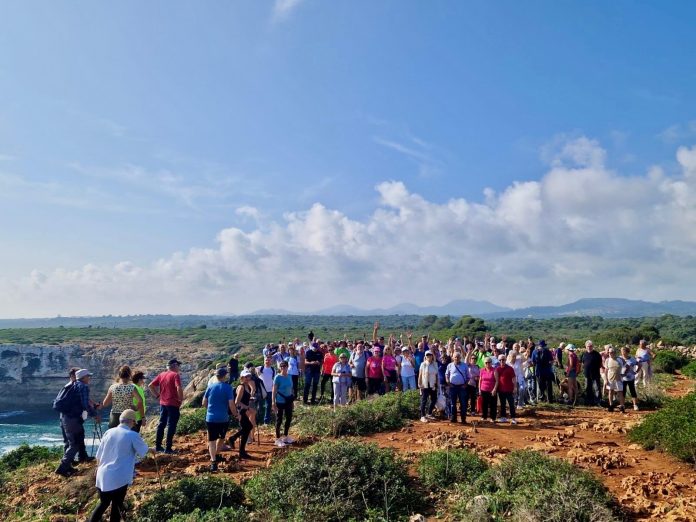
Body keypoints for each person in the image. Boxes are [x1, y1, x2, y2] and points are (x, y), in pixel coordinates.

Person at [88, 410, 149, 522]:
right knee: (116, 506)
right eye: (134, 422)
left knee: (103, 503)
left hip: (102, 475)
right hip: (119, 477)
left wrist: (98, 469)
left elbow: (99, 456)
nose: (134, 425)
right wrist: (152, 449)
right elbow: (143, 451)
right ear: (131, 421)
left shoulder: (109, 432)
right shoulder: (132, 435)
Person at [55, 368, 100, 477]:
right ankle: (63, 467)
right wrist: (95, 415)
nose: (89, 378)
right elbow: (85, 404)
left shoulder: (72, 385)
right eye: (88, 376)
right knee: (74, 443)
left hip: (67, 417)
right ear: (83, 377)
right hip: (73, 419)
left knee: (77, 439)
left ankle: (78, 460)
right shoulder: (83, 386)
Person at [203, 367, 239, 471]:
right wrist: (236, 414)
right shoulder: (228, 388)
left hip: (210, 417)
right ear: (224, 376)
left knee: (211, 440)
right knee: (222, 438)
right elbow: (231, 404)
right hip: (223, 417)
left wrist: (210, 409)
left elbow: (204, 403)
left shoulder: (210, 387)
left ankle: (213, 460)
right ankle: (216, 454)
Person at [149, 358, 183, 454]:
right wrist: (181, 399)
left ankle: (158, 446)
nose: (179, 368)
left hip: (163, 403)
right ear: (175, 366)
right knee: (171, 425)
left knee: (161, 424)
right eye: (178, 365)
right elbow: (178, 387)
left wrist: (157, 396)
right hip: (173, 403)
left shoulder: (161, 375)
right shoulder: (175, 375)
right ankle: (168, 448)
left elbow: (150, 385)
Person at [227, 370, 255, 460]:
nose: (248, 378)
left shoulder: (247, 386)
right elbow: (237, 402)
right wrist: (247, 407)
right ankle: (234, 440)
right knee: (248, 427)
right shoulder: (241, 387)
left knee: (247, 428)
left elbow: (243, 399)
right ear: (241, 378)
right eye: (245, 377)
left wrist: (250, 400)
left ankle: (241, 449)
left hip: (243, 411)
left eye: (249, 376)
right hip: (240, 411)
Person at [272, 361, 295, 447]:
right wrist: (273, 402)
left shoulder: (290, 376)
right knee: (279, 420)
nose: (283, 368)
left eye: (284, 366)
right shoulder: (277, 377)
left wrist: (292, 401)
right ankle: (277, 439)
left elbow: (291, 389)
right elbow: (274, 390)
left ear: (287, 367)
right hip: (280, 401)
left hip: (288, 401)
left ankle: (285, 436)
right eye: (281, 366)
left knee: (288, 418)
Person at [445, 352, 469, 424]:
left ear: (460, 358)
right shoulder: (450, 365)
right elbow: (447, 375)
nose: (456, 358)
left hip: (462, 387)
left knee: (463, 403)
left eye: (458, 357)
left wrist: (465, 384)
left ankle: (463, 419)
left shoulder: (464, 365)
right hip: (453, 386)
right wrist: (448, 382)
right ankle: (453, 418)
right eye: (455, 357)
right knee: (452, 403)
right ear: (453, 358)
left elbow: (468, 376)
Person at [496, 354, 517, 424]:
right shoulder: (497, 369)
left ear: (505, 360)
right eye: (500, 360)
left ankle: (513, 418)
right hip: (501, 390)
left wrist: (515, 388)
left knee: (511, 404)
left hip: (509, 390)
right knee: (502, 404)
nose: (502, 361)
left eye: (503, 359)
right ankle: (503, 417)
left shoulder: (510, 368)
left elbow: (514, 378)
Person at [418, 351, 439, 422]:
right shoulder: (423, 364)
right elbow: (420, 375)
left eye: (430, 355)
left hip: (433, 384)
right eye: (427, 355)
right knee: (424, 400)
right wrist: (419, 384)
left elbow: (436, 375)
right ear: (425, 356)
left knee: (434, 399)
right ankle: (422, 416)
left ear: (432, 356)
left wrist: (437, 384)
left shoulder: (435, 364)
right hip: (425, 385)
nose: (429, 356)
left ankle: (429, 413)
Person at [581, 341, 603, 406]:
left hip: (595, 374)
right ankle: (589, 401)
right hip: (587, 374)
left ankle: (598, 402)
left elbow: (600, 364)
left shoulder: (597, 354)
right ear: (585, 347)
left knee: (597, 388)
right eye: (588, 346)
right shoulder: (583, 354)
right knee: (588, 388)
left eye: (590, 346)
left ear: (592, 346)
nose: (589, 347)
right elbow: (582, 363)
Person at [604, 346, 625, 413]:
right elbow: (606, 370)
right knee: (610, 391)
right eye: (609, 352)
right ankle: (611, 405)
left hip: (618, 379)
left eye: (612, 352)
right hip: (610, 378)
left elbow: (625, 365)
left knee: (620, 392)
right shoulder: (607, 360)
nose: (611, 354)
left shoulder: (620, 359)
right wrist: (606, 379)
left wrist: (623, 374)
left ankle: (622, 406)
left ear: (615, 352)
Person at [479, 357, 498, 422]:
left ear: (491, 363)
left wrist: (494, 389)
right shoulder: (482, 370)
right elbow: (480, 380)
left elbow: (497, 381)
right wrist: (479, 389)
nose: (487, 364)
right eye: (486, 362)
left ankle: (493, 418)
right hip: (483, 389)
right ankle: (484, 417)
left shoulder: (494, 370)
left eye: (489, 362)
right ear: (484, 363)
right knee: (484, 404)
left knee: (493, 404)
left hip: (492, 390)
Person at [257, 357, 276, 424]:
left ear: (271, 361)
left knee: (268, 406)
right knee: (260, 406)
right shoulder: (260, 368)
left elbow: (274, 379)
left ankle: (266, 421)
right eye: (266, 360)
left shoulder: (273, 369)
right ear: (264, 361)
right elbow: (250, 369)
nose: (267, 361)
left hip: (270, 390)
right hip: (261, 390)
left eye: (269, 360)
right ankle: (258, 421)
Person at [620, 346, 640, 411]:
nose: (622, 353)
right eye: (621, 351)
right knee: (623, 391)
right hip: (622, 378)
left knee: (632, 391)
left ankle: (635, 405)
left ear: (627, 352)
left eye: (624, 351)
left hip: (631, 378)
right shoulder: (619, 358)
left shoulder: (632, 359)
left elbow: (639, 364)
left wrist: (636, 372)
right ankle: (622, 405)